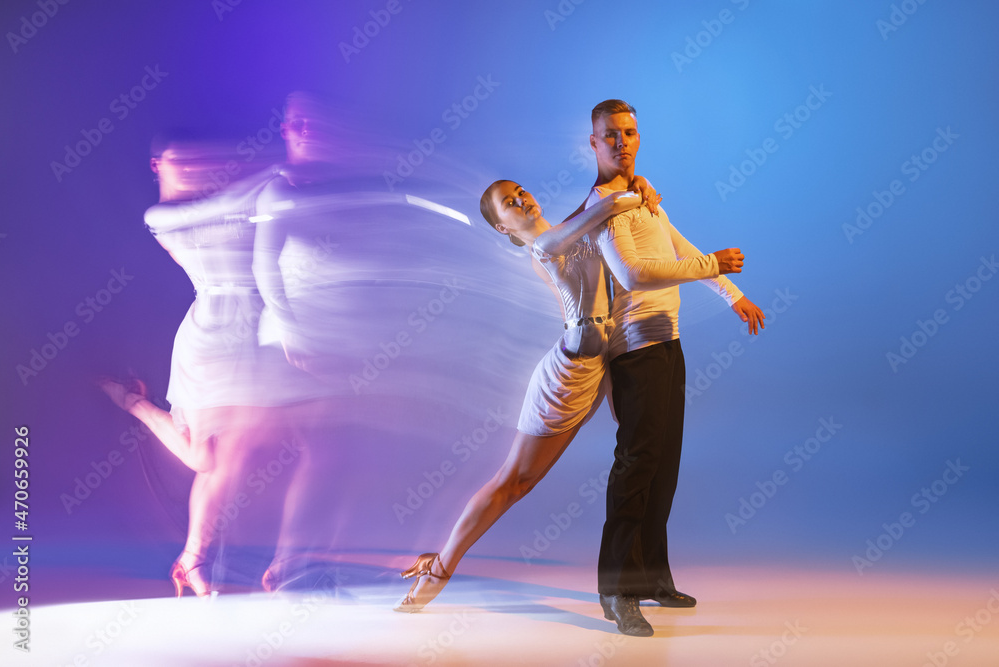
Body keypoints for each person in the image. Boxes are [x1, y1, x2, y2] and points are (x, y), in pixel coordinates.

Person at [393, 176, 698, 612]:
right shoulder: (546, 245)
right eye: (509, 204)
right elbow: (605, 207)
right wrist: (640, 187)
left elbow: (596, 222)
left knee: (643, 459)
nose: (521, 200)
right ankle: (440, 566)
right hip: (566, 376)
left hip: (599, 366)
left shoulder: (571, 230)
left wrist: (637, 185)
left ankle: (646, 576)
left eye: (520, 192)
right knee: (515, 482)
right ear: (503, 228)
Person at [100, 132, 327, 596]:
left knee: (246, 452)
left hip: (255, 331)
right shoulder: (162, 216)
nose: (193, 169)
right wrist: (274, 170)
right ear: (155, 165)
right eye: (180, 162)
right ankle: (135, 405)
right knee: (207, 456)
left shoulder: (235, 200)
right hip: (211, 333)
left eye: (198, 161)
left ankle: (198, 559)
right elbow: (224, 209)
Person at [577, 99, 765, 636]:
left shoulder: (643, 193)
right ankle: (617, 589)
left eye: (629, 133)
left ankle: (652, 576)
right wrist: (712, 265)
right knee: (637, 465)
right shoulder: (605, 205)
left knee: (664, 467)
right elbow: (635, 274)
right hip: (635, 348)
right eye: (610, 135)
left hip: (668, 342)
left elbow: (675, 246)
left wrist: (731, 294)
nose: (622, 143)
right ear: (593, 143)